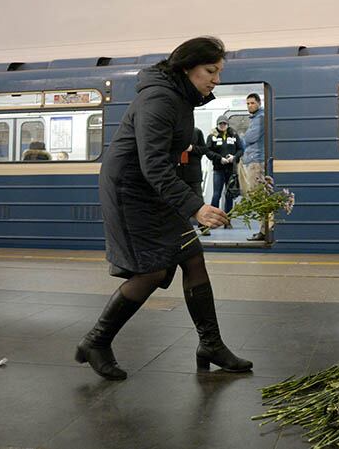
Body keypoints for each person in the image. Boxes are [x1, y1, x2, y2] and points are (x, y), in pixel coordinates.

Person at [75, 36, 252, 380]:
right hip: (130, 190)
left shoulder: (183, 99)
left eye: (219, 71)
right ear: (187, 68)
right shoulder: (159, 99)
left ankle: (210, 344)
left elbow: (182, 155)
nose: (216, 79)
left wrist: (194, 203)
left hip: (154, 188)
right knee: (152, 271)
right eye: (210, 71)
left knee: (192, 255)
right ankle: (96, 341)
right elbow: (153, 164)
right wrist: (194, 208)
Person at [238, 92, 270, 242]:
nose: (250, 106)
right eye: (248, 103)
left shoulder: (259, 118)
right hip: (253, 160)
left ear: (259, 103)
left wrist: (244, 136)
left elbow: (250, 138)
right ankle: (264, 229)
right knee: (258, 196)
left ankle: (265, 230)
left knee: (258, 196)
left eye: (252, 103)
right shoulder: (256, 118)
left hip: (256, 161)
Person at [205, 115, 243, 219]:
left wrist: (234, 157)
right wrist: (219, 158)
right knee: (216, 194)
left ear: (227, 124)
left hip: (230, 170)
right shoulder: (212, 136)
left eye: (224, 124)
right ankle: (213, 218)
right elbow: (207, 151)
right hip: (218, 169)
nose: (222, 125)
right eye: (220, 124)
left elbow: (240, 149)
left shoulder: (234, 135)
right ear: (217, 125)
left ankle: (228, 219)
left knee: (229, 195)